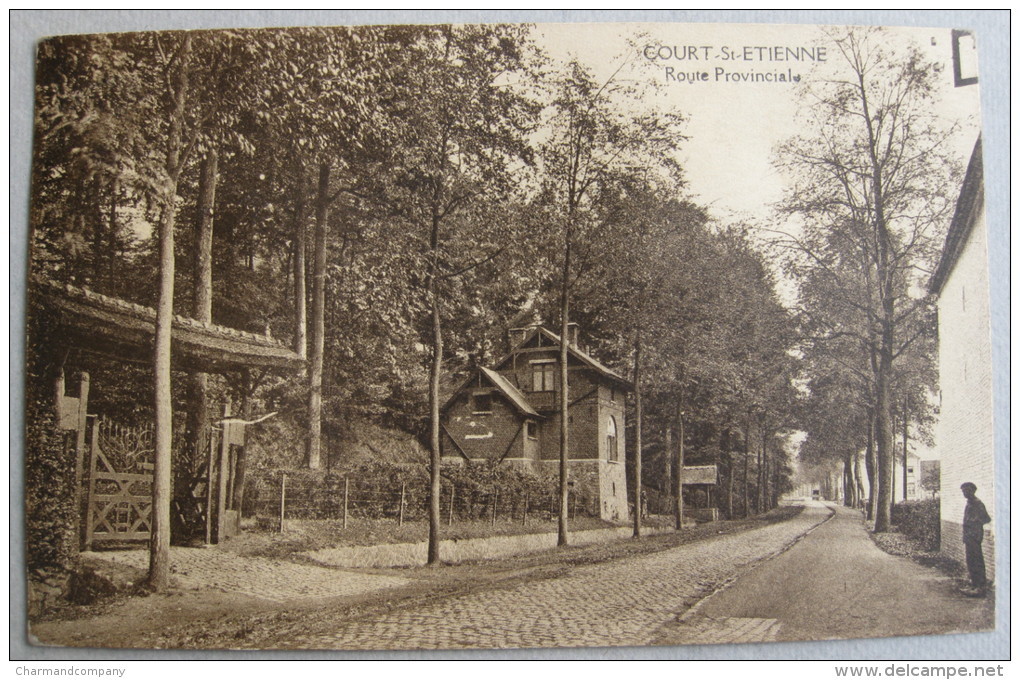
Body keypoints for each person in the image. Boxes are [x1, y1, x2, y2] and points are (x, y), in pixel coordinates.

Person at [960, 482, 991, 596]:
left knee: (977, 562)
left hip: (974, 537)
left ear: (972, 491)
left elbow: (986, 519)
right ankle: (974, 585)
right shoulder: (969, 503)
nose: (964, 493)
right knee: (971, 561)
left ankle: (980, 587)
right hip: (969, 537)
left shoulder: (978, 504)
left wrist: (975, 522)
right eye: (963, 491)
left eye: (966, 491)